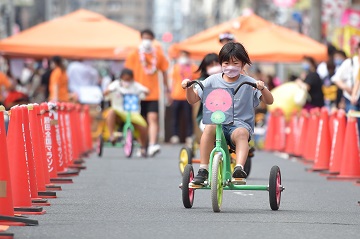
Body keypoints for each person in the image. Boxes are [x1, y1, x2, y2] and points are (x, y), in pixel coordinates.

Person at [181, 42, 274, 185]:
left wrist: (263, 88)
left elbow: (269, 101)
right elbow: (192, 99)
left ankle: (239, 168)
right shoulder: (212, 80)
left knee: (241, 133)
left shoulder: (250, 83)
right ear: (221, 64)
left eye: (235, 63)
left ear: (243, 64)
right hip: (218, 122)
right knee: (209, 127)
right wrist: (188, 88)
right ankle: (203, 169)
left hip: (239, 125)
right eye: (226, 63)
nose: (230, 67)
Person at [124, 29, 169, 157]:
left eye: (149, 38)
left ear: (153, 40)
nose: (147, 40)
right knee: (140, 121)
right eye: (145, 37)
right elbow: (127, 73)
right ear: (141, 38)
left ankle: (152, 145)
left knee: (153, 118)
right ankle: (142, 146)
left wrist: (167, 89)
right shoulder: (134, 54)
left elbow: (164, 70)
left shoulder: (158, 54)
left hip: (153, 93)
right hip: (136, 93)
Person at [103, 68, 149, 157]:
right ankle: (112, 135)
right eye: (125, 79)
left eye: (128, 79)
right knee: (111, 112)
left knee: (143, 126)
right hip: (119, 112)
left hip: (133, 113)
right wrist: (108, 91)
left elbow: (146, 91)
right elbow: (106, 92)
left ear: (132, 79)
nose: (126, 81)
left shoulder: (136, 86)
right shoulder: (116, 84)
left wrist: (145, 92)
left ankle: (143, 147)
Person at [169, 50, 199, 145]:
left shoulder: (193, 67)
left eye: (185, 56)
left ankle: (189, 135)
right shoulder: (176, 67)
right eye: (182, 56)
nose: (183, 58)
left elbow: (197, 80)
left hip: (188, 97)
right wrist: (170, 94)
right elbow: (172, 81)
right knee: (175, 117)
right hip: (176, 96)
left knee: (188, 117)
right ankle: (175, 135)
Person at [332, 42, 359, 113]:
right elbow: (336, 78)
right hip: (350, 99)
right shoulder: (350, 63)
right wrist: (348, 89)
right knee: (353, 120)